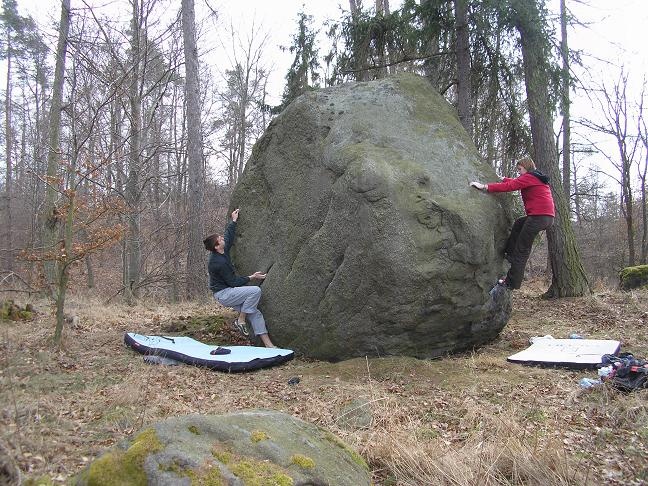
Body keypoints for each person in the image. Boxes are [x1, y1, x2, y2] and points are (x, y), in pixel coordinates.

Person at [470, 156, 555, 290]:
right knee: (519, 224)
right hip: (547, 218)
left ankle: (511, 282)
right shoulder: (535, 177)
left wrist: (485, 187)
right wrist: (503, 178)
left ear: (526, 168)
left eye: (520, 169)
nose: (519, 171)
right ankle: (509, 253)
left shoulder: (529, 177)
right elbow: (517, 182)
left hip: (538, 218)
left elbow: (512, 186)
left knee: (521, 251)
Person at [203, 208, 276, 348]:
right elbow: (232, 282)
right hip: (224, 294)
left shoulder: (222, 250)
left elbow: (228, 236)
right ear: (217, 246)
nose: (222, 238)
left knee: (255, 313)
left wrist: (233, 220)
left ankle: (269, 346)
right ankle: (241, 319)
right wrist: (252, 277)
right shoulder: (218, 262)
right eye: (220, 239)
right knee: (255, 291)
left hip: (229, 292)